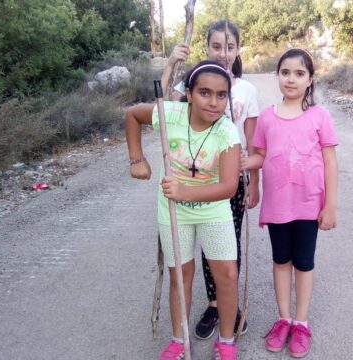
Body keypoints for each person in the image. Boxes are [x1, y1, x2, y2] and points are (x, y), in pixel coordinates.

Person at [126, 60, 241, 360]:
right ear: (189, 93)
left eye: (221, 95)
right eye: (205, 92)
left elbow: (229, 186)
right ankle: (179, 340)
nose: (214, 102)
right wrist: (137, 159)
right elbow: (132, 115)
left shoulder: (227, 132)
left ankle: (227, 342)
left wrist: (185, 191)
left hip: (213, 210)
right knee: (181, 274)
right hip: (174, 211)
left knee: (227, 275)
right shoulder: (170, 114)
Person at [161, 19, 259, 340]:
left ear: (238, 49)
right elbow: (164, 110)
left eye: (230, 47)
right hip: (194, 175)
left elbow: (252, 140)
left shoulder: (246, 89)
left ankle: (228, 303)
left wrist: (253, 181)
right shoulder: (193, 82)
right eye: (216, 46)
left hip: (230, 177)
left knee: (226, 244)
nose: (223, 53)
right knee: (201, 248)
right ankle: (214, 304)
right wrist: (171, 64)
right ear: (207, 47)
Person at [241, 48, 339, 358]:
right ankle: (283, 318)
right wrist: (241, 164)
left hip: (309, 205)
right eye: (285, 72)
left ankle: (301, 322)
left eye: (299, 73)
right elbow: (259, 155)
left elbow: (330, 162)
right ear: (278, 76)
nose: (291, 79)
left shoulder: (319, 116)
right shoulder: (268, 116)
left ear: (310, 79)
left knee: (304, 262)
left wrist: (331, 205)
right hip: (278, 204)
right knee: (281, 259)